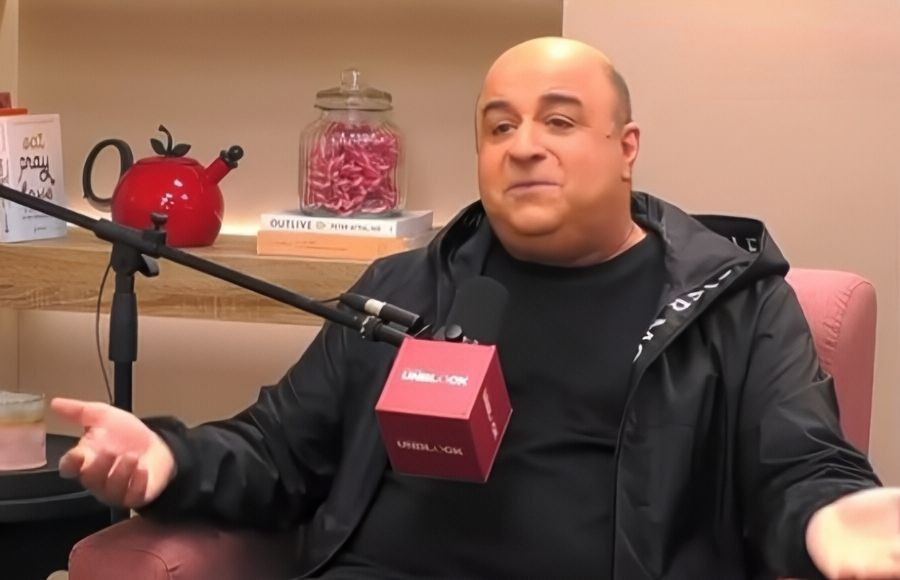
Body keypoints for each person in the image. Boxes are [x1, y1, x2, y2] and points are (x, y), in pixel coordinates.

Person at [52, 37, 900, 579]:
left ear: (626, 147)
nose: (523, 146)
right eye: (499, 127)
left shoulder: (735, 306)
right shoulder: (404, 289)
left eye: (559, 122)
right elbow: (276, 451)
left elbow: (799, 468)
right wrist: (168, 455)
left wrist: (832, 517)